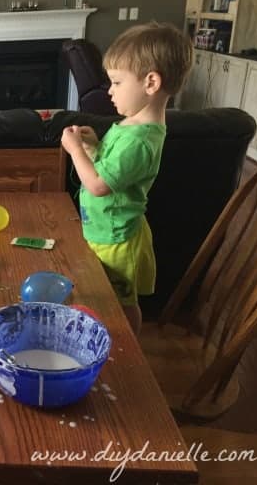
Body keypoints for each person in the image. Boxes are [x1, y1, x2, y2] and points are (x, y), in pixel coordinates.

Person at [61, 22, 192, 334]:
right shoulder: (129, 126)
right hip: (105, 231)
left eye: (117, 82)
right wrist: (93, 148)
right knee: (107, 298)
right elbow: (108, 169)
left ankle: (128, 346)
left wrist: (74, 150)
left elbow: (98, 185)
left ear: (151, 82)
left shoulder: (140, 140)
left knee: (122, 303)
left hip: (117, 240)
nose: (109, 91)